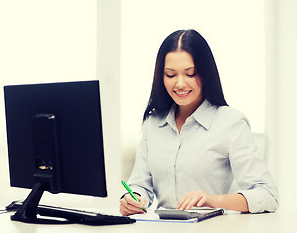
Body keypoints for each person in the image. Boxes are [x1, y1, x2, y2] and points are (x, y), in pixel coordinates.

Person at [119, 29, 279, 216]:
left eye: (191, 73)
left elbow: (268, 195)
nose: (179, 84)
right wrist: (133, 199)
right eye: (170, 75)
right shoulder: (153, 122)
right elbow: (139, 185)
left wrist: (214, 200)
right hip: (161, 227)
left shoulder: (231, 123)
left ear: (206, 73)